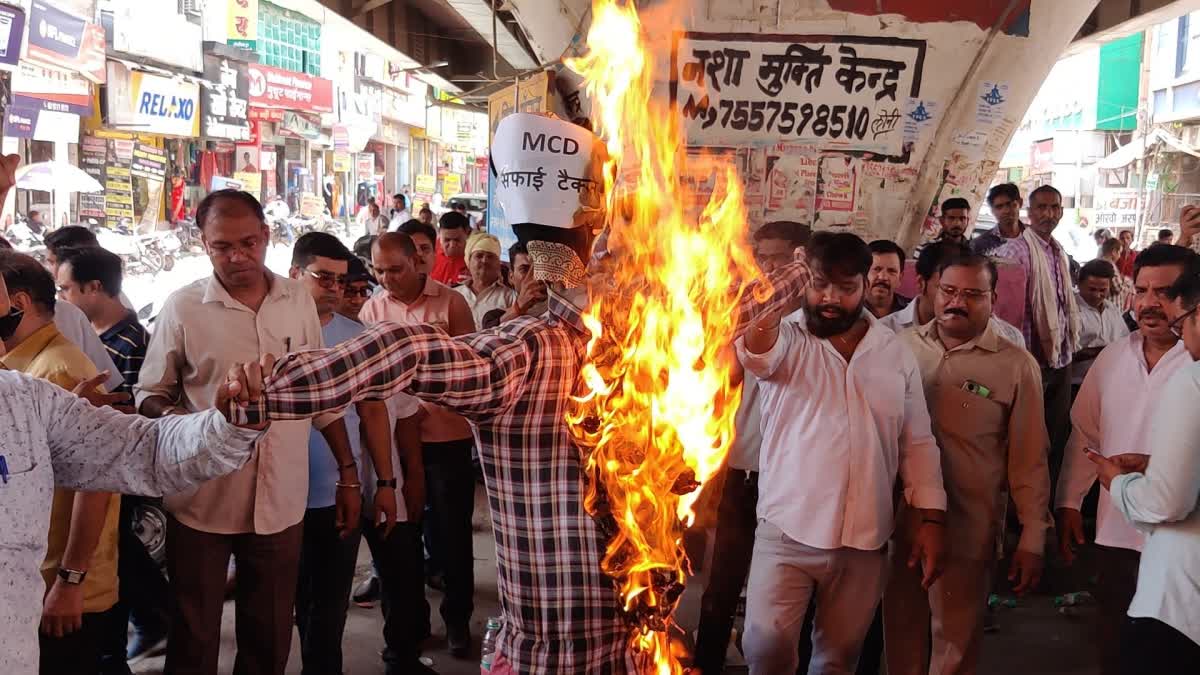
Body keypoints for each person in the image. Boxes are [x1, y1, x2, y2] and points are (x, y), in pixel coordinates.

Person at [202, 111, 813, 674]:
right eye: (626, 246)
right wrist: (270, 391)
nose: (647, 262)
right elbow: (405, 352)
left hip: (636, 645)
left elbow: (752, 300)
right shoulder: (526, 350)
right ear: (592, 257)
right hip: (548, 658)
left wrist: (808, 271)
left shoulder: (659, 336)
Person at [134, 190, 367, 675]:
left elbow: (318, 394)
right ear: (203, 243)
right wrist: (194, 428)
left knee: (270, 630)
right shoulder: (183, 307)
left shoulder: (296, 300)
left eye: (248, 242)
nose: (238, 256)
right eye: (223, 246)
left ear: (266, 237)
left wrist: (349, 473)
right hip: (202, 498)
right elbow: (149, 392)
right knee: (194, 630)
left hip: (281, 498)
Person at [0, 274, 272, 675]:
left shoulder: (25, 400)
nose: (2, 344)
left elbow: (145, 450)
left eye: (6, 324)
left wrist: (230, 423)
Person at [736, 232, 947, 675]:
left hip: (865, 537)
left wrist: (931, 518)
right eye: (819, 285)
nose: (830, 298)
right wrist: (775, 298)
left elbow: (918, 441)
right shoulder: (785, 338)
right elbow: (755, 355)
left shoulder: (893, 352)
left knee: (839, 658)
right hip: (786, 529)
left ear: (865, 284)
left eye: (845, 288)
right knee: (766, 648)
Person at [883, 253, 1051, 675]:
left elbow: (1029, 459)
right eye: (950, 291)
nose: (958, 302)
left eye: (973, 294)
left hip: (968, 526)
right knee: (901, 636)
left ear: (993, 299)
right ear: (933, 292)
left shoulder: (1015, 365)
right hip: (899, 521)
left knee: (954, 644)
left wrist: (1032, 536)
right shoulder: (898, 348)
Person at [1055, 244, 1197, 675]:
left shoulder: (1192, 367)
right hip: (1118, 532)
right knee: (1116, 641)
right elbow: (1087, 435)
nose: (1152, 303)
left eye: (1165, 292)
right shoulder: (1112, 357)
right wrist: (1069, 502)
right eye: (1142, 290)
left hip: (1180, 549)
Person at [692, 219, 809, 674]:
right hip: (741, 469)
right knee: (723, 580)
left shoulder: (814, 329)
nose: (764, 268)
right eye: (761, 258)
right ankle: (707, 661)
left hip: (793, 479)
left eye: (776, 259)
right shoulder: (740, 313)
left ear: (799, 260)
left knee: (786, 588)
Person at [0, 251, 123, 675]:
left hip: (61, 587)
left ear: (14, 305)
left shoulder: (57, 372)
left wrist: (70, 581)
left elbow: (97, 481)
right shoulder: (25, 370)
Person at [285, 232, 399, 674]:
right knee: (291, 602)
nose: (333, 287)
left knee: (330, 604)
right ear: (295, 274)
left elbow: (374, 414)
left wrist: (385, 485)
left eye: (340, 279)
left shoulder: (358, 338)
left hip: (339, 491)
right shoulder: (272, 329)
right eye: (322, 277)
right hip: (278, 493)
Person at [362, 232, 478, 659]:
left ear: (417, 263)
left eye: (395, 269)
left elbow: (471, 369)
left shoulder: (451, 303)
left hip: (446, 437)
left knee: (452, 535)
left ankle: (457, 619)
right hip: (393, 441)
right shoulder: (372, 309)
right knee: (404, 535)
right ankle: (414, 623)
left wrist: (429, 398)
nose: (387, 279)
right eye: (380, 270)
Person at [53, 246, 169, 664]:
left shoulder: (109, 343)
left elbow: (124, 409)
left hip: (121, 472)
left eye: (65, 288)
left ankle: (149, 621)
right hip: (109, 477)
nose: (61, 296)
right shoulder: (88, 333)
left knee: (120, 550)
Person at [992, 184, 1079, 485]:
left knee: (1056, 436)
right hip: (1029, 361)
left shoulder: (1058, 251)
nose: (1047, 214)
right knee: (1026, 440)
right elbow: (1001, 316)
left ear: (1061, 212)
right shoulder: (1014, 252)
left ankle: (1048, 502)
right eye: (1041, 207)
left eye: (1054, 208)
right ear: (1029, 212)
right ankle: (1024, 509)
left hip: (1059, 357)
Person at [882, 240, 1025, 346]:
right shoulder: (888, 333)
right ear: (921, 284)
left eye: (972, 293)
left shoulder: (1008, 339)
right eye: (947, 290)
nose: (959, 302)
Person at [1073, 259, 1130, 390]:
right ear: (1079, 284)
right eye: (1092, 289)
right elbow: (1065, 356)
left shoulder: (1111, 308)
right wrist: (1106, 350)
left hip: (1111, 381)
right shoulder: (1070, 311)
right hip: (1079, 384)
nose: (1097, 295)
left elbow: (1124, 340)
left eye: (1103, 290)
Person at [455, 233, 517, 327]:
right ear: (469, 261)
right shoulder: (455, 295)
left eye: (490, 256)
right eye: (479, 256)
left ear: (498, 263)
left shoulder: (510, 297)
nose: (484, 260)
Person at [972, 183, 1025, 255]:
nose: (1006, 211)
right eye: (999, 207)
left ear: (1020, 203)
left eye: (1009, 204)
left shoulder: (1035, 237)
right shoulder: (980, 245)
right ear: (992, 211)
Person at [865, 239, 909, 318]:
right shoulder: (850, 309)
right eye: (876, 269)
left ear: (900, 278)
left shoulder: (911, 311)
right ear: (863, 273)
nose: (883, 277)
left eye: (891, 271)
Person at [431, 211, 470, 285]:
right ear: (439, 233)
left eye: (457, 240)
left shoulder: (477, 257)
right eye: (447, 240)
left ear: (467, 233)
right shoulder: (429, 251)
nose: (452, 245)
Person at [338, 256, 374, 321]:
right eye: (349, 292)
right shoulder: (317, 328)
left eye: (363, 291)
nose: (358, 301)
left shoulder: (373, 326)